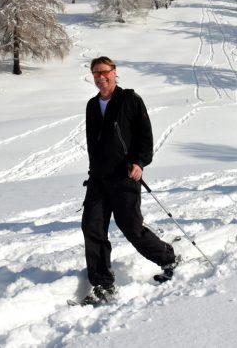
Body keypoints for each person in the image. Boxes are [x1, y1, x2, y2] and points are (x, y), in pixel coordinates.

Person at [80, 56, 178, 306]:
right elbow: (95, 144)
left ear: (115, 72)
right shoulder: (92, 106)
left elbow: (145, 137)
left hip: (125, 176)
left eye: (104, 72)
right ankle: (103, 283)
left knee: (131, 228)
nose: (100, 77)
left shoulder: (130, 100)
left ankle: (168, 257)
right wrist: (93, 172)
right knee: (92, 227)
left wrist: (139, 162)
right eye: (95, 73)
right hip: (99, 179)